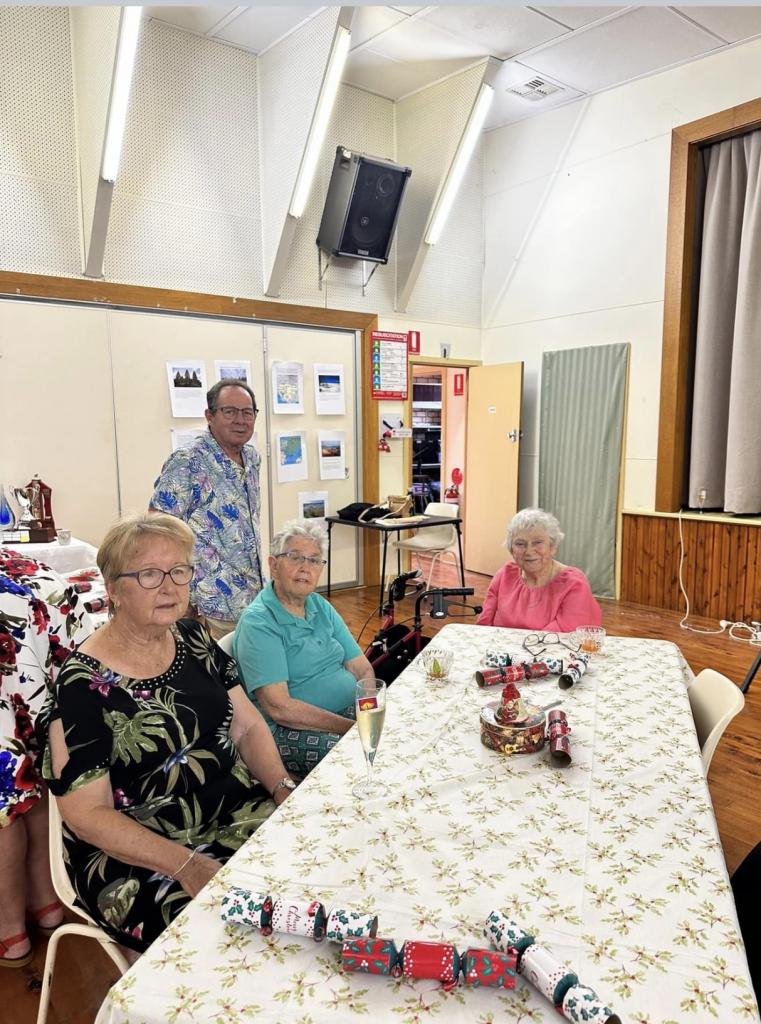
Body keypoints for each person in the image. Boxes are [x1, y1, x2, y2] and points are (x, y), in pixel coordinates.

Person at [42, 512, 295, 954]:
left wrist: (282, 788)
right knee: (230, 944)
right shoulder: (82, 684)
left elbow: (248, 725)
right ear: (114, 590)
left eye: (179, 570)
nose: (169, 586)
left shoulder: (195, 637)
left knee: (315, 874)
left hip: (233, 810)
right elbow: (87, 815)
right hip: (141, 849)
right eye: (148, 574)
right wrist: (187, 865)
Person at [0, 549, 92, 967]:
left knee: (3, 819)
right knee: (33, 797)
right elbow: (77, 640)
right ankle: (47, 905)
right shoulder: (32, 568)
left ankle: (10, 933)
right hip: (44, 714)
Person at [233, 521, 374, 777]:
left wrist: (369, 711)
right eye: (295, 558)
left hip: (348, 714)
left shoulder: (319, 605)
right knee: (359, 759)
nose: (305, 568)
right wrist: (352, 728)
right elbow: (280, 708)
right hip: (291, 730)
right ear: (273, 565)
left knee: (402, 729)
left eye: (314, 560)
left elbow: (362, 668)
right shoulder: (259, 622)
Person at [150, 379, 263, 640]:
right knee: (215, 678)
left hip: (251, 598)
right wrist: (181, 595)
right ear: (209, 416)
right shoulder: (188, 460)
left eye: (247, 412)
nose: (240, 420)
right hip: (208, 603)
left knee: (248, 676)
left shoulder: (252, 458)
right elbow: (159, 530)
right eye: (230, 411)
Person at [476, 508, 602, 632]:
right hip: (501, 651)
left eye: (537, 542)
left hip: (550, 650)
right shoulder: (504, 576)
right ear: (511, 549)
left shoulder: (573, 583)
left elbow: (565, 631)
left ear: (552, 546)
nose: (529, 551)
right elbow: (484, 624)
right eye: (520, 544)